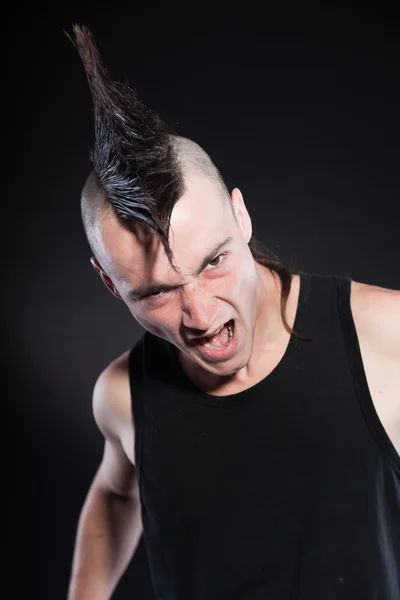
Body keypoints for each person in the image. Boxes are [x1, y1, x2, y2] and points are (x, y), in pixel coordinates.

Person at [67, 25, 400, 600]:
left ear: (240, 217)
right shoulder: (121, 397)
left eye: (214, 260)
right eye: (155, 293)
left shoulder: (387, 336)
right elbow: (118, 494)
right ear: (109, 284)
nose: (199, 313)